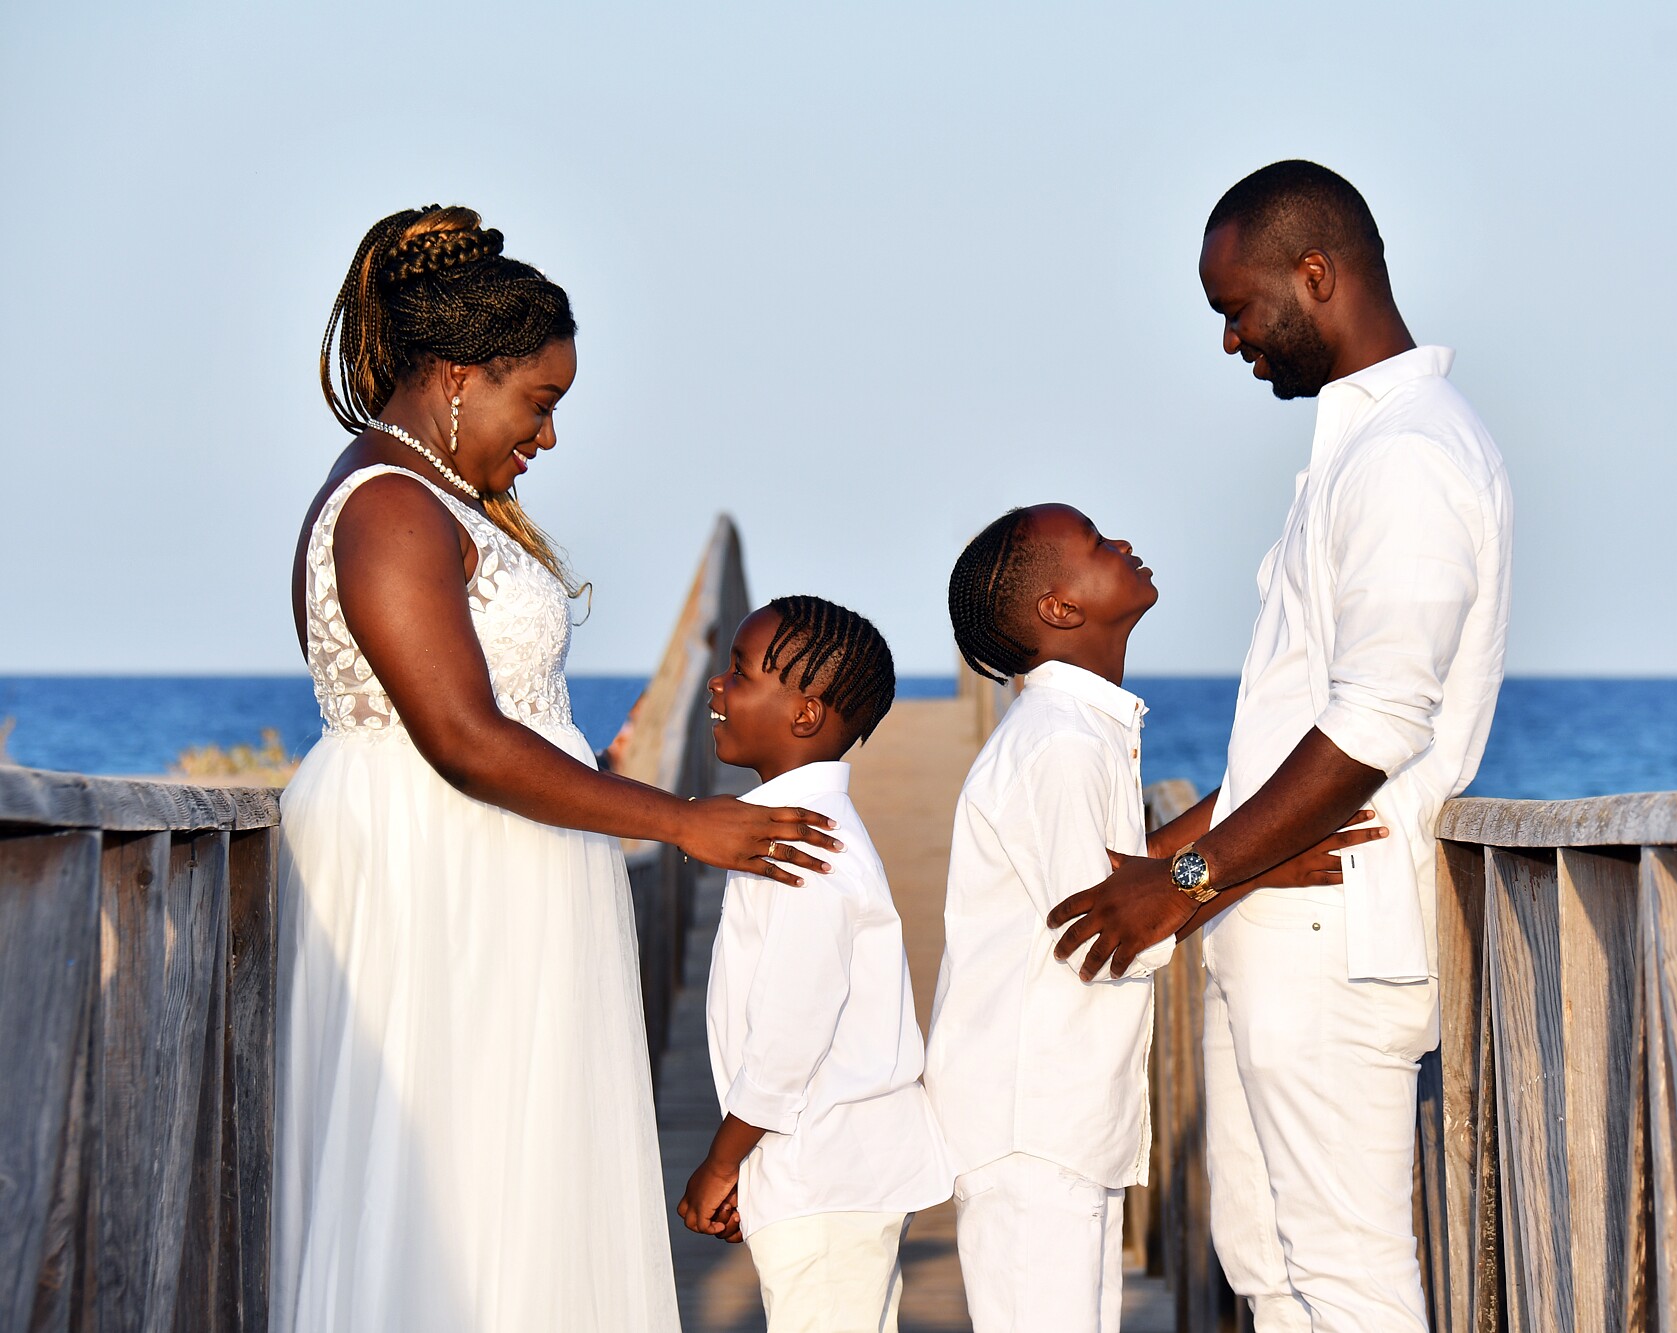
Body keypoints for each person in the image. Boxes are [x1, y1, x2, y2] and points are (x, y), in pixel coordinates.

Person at [277, 205, 843, 1333]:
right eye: (538, 402)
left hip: (489, 867)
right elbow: (461, 734)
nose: (547, 437)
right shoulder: (390, 505)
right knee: (458, 1173)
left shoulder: (434, 495)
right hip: (438, 876)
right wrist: (683, 820)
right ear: (457, 376)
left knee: (519, 1176)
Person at [1047, 161, 1514, 1331]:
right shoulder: (1361, 444)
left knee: (1345, 1276)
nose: (1229, 339)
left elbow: (1374, 721)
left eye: (1235, 308)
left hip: (1338, 941)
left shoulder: (1409, 453)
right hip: (1285, 928)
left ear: (1317, 275)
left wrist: (1190, 882)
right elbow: (1298, 731)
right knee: (1267, 1259)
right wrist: (1172, 853)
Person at [927, 503, 1388, 1333]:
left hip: (1056, 1119)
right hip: (1031, 1124)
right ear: (1058, 609)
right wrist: (1264, 865)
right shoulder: (1058, 743)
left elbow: (1127, 871)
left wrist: (1258, 810)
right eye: (1098, 545)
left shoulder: (1076, 728)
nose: (1125, 543)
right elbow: (1108, 927)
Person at [679, 596, 956, 1333]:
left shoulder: (808, 851)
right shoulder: (801, 831)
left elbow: (788, 1032)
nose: (716, 685)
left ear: (804, 714)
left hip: (829, 1170)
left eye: (738, 672)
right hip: (823, 1164)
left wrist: (722, 1161)